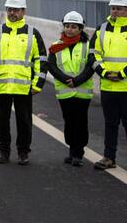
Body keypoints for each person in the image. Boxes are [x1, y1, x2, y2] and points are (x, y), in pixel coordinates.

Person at [0, 0, 47, 165]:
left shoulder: (33, 34)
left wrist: (38, 84)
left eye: (16, 10)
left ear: (23, 11)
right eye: (10, 9)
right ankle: (3, 151)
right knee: (1, 121)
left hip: (24, 87)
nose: (12, 12)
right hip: (1, 86)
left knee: (24, 122)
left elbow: (41, 60)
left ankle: (23, 152)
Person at [47, 11, 93, 167]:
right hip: (65, 91)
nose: (69, 29)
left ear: (81, 29)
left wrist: (77, 81)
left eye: (74, 27)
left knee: (80, 122)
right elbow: (51, 66)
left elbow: (91, 66)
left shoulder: (88, 46)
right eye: (67, 26)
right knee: (69, 121)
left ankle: (78, 153)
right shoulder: (56, 46)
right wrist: (66, 80)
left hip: (82, 91)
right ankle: (72, 150)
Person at [91, 0, 127, 170]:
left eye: (118, 8)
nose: (114, 11)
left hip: (126, 86)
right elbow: (93, 54)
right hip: (107, 86)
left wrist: (122, 74)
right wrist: (103, 72)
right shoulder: (101, 29)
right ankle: (109, 158)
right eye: (113, 8)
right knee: (110, 124)